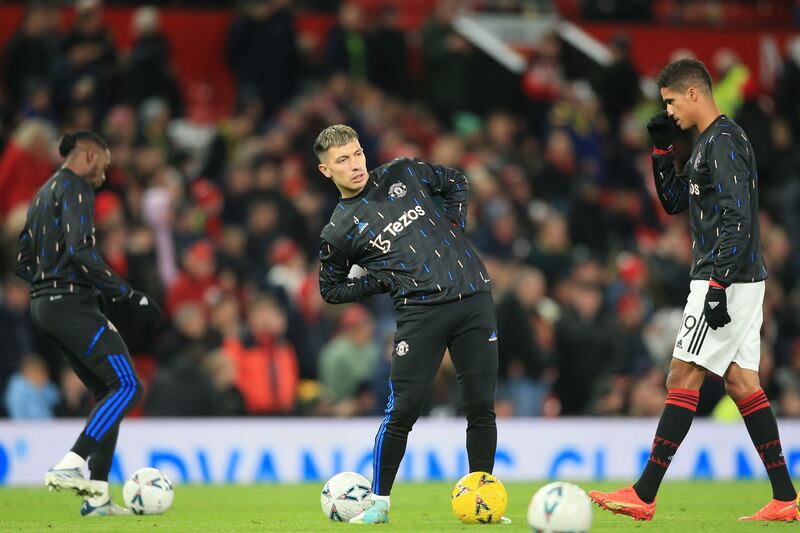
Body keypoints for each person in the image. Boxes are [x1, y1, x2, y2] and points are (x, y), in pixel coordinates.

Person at [589, 59, 799, 522]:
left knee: (681, 376)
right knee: (743, 384)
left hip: (725, 276)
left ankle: (644, 493)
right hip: (738, 276)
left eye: (669, 101)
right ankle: (786, 497)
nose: (668, 111)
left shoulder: (724, 141)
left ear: (693, 94)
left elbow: (739, 218)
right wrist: (663, 152)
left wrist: (719, 284)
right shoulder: (707, 143)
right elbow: (674, 202)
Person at [315, 124, 507, 524]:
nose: (355, 165)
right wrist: (380, 281)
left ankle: (481, 503)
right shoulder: (338, 231)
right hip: (421, 313)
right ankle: (379, 504)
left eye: (357, 154)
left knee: (480, 408)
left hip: (473, 296)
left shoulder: (403, 172)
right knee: (401, 411)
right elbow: (330, 289)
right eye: (342, 161)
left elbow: (455, 181)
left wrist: (453, 227)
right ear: (326, 171)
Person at [14, 130, 162, 516]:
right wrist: (127, 293)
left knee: (110, 392)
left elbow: (21, 260)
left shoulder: (41, 193)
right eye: (105, 165)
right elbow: (81, 249)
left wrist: (47, 288)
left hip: (44, 306)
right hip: (72, 304)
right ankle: (72, 462)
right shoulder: (77, 187)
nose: (105, 174)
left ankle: (96, 496)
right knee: (129, 385)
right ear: (90, 155)